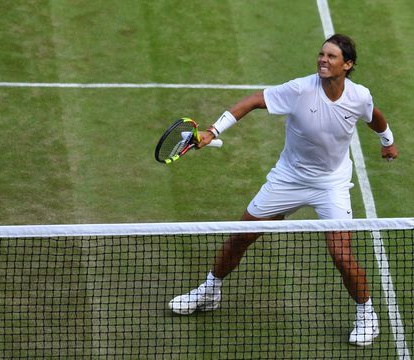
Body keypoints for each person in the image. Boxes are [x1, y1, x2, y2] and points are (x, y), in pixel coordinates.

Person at [168, 34, 398, 347]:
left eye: (331, 57)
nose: (322, 60)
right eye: (321, 54)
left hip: (331, 184)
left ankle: (366, 314)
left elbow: (374, 117)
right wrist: (212, 131)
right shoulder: (300, 89)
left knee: (341, 254)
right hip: (288, 179)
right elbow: (253, 102)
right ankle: (209, 291)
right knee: (241, 236)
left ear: (347, 65)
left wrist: (387, 141)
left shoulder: (359, 96)